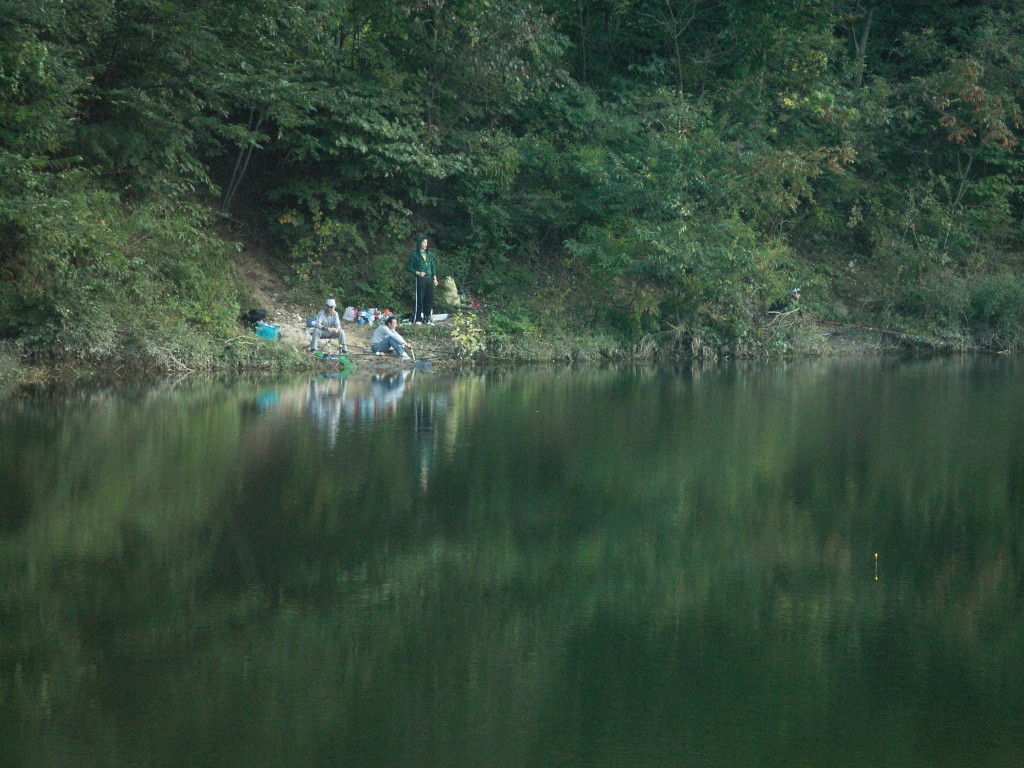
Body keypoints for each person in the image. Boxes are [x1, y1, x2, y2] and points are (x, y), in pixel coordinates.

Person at [407, 236, 438, 325]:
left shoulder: (429, 254)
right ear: (419, 243)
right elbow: (409, 267)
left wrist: (435, 278)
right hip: (420, 279)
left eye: (426, 242)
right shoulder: (415, 254)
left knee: (429, 299)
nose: (425, 244)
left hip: (429, 279)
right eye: (423, 242)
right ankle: (417, 319)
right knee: (419, 298)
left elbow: (432, 266)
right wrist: (418, 273)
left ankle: (427, 318)